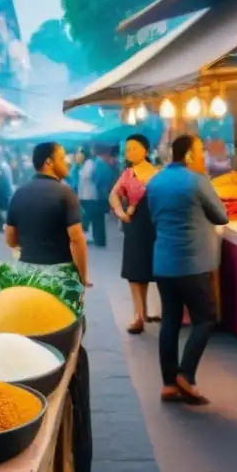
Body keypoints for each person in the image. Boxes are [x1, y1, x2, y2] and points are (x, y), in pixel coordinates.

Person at [147, 135, 229, 405]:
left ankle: (168, 384)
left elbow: (154, 217)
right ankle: (186, 374)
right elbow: (221, 216)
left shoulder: (155, 181)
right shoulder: (197, 181)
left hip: (163, 263)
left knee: (170, 320)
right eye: (201, 152)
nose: (204, 157)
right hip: (193, 264)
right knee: (205, 318)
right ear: (190, 155)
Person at [5, 142, 89, 288]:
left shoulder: (19, 193)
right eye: (62, 159)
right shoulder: (65, 193)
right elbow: (76, 237)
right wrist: (82, 276)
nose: (67, 163)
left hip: (25, 273)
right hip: (58, 274)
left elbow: (10, 238)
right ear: (49, 162)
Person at [109, 134, 160, 334]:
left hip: (155, 225)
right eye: (127, 148)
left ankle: (146, 312)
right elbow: (113, 195)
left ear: (146, 151)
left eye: (134, 148)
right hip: (135, 225)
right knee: (133, 271)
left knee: (147, 270)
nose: (129, 152)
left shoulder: (158, 174)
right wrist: (120, 213)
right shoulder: (127, 174)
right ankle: (138, 315)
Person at [76, 146, 97, 237]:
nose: (78, 156)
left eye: (80, 153)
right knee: (84, 215)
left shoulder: (89, 163)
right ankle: (85, 233)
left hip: (88, 194)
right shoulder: (83, 164)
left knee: (87, 215)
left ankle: (88, 234)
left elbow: (87, 175)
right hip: (83, 194)